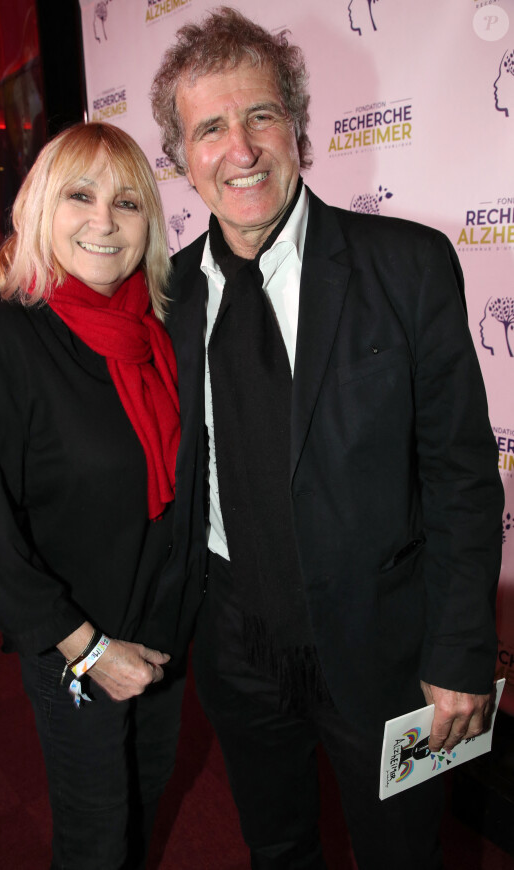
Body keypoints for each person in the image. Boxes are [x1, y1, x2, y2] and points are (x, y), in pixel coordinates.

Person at [151, 8, 504, 869]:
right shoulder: (165, 301)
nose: (240, 148)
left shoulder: (407, 264)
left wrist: (460, 648)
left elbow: (460, 472)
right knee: (276, 847)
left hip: (384, 650)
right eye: (209, 128)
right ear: (180, 159)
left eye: (260, 115)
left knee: (403, 856)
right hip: (237, 653)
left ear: (299, 129)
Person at [0, 122, 189, 870]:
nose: (104, 222)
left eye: (127, 202)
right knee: (95, 839)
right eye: (80, 196)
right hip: (74, 646)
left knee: (146, 805)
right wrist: (90, 652)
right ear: (42, 208)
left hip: (166, 628)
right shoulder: (2, 345)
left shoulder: (162, 329)